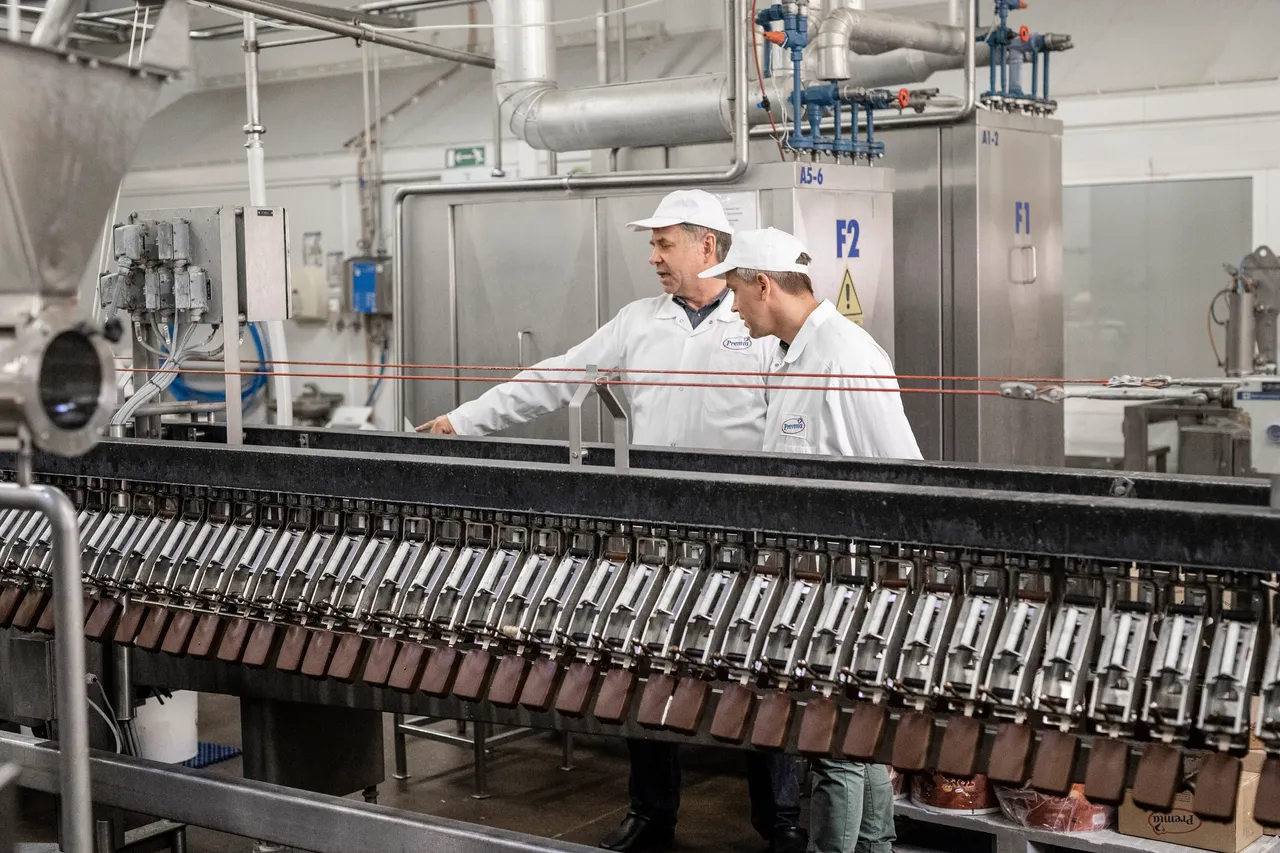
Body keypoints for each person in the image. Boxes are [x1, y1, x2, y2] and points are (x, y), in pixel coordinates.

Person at [417, 191, 805, 853]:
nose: (653, 256)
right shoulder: (638, 322)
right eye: (651, 244)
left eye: (665, 243)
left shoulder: (757, 322)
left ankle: (781, 819)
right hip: (654, 527)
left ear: (709, 245)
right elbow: (554, 377)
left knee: (754, 671)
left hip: (745, 529)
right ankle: (653, 812)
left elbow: (801, 418)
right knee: (646, 666)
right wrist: (462, 421)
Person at [702, 226, 920, 853]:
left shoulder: (846, 355)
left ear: (764, 284)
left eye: (737, 292)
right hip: (813, 578)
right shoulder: (795, 351)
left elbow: (904, 472)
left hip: (851, 582)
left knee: (833, 746)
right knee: (859, 743)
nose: (734, 307)